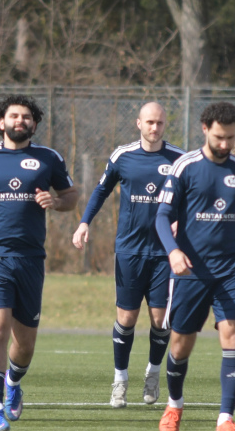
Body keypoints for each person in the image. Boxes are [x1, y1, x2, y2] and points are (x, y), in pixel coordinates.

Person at [0, 95, 79, 431]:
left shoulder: (48, 158)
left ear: (34, 124)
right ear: (1, 121)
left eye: (26, 117)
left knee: (24, 345)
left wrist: (56, 201)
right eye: (13, 116)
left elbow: (71, 196)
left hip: (30, 259)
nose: (19, 121)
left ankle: (13, 382)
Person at [154, 102, 235, 431]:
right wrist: (173, 253)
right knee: (181, 344)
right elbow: (160, 217)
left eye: (230, 137)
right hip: (191, 271)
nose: (225, 144)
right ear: (205, 129)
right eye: (219, 137)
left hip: (230, 269)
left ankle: (225, 419)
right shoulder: (184, 167)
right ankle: (174, 405)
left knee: (233, 335)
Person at [72, 102, 184, 408]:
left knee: (161, 321)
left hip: (165, 253)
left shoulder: (178, 159)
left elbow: (191, 199)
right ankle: (120, 380)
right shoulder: (122, 155)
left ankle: (153, 373)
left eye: (160, 123)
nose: (155, 128)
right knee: (127, 318)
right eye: (149, 122)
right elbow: (100, 190)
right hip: (130, 250)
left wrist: (181, 223)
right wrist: (84, 223)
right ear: (138, 123)